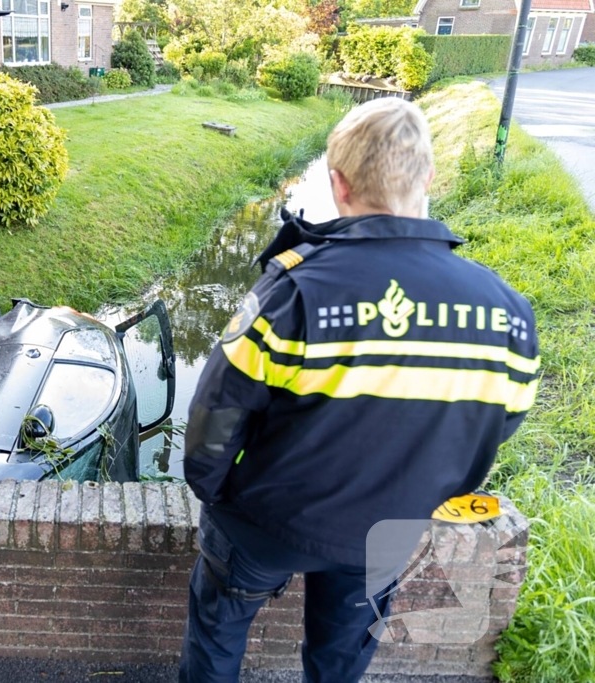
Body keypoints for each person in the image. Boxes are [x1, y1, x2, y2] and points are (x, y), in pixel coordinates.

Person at [179, 97, 539, 683]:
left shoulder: (294, 292)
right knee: (341, 659)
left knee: (219, 634)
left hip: (266, 521)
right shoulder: (507, 314)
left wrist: (217, 493)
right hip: (384, 534)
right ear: (428, 176)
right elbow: (501, 419)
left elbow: (218, 413)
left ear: (338, 183)